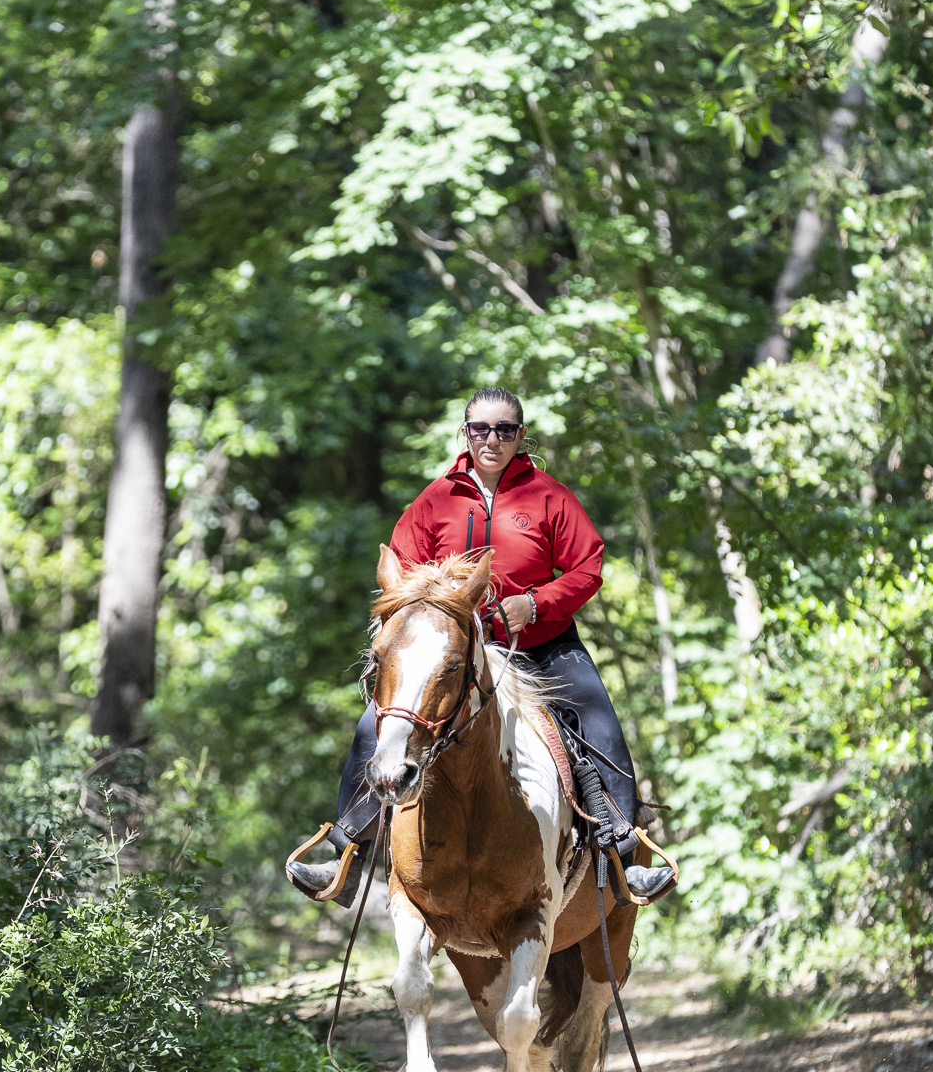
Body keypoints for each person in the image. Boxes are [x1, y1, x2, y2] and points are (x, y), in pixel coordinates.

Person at [286, 386, 675, 909]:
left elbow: (588, 566)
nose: (492, 439)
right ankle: (346, 855)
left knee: (600, 722)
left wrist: (535, 604)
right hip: (454, 654)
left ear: (521, 435)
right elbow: (401, 574)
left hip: (541, 643)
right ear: (465, 433)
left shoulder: (549, 497)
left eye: (505, 430)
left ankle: (625, 860)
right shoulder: (435, 500)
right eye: (481, 429)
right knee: (376, 723)